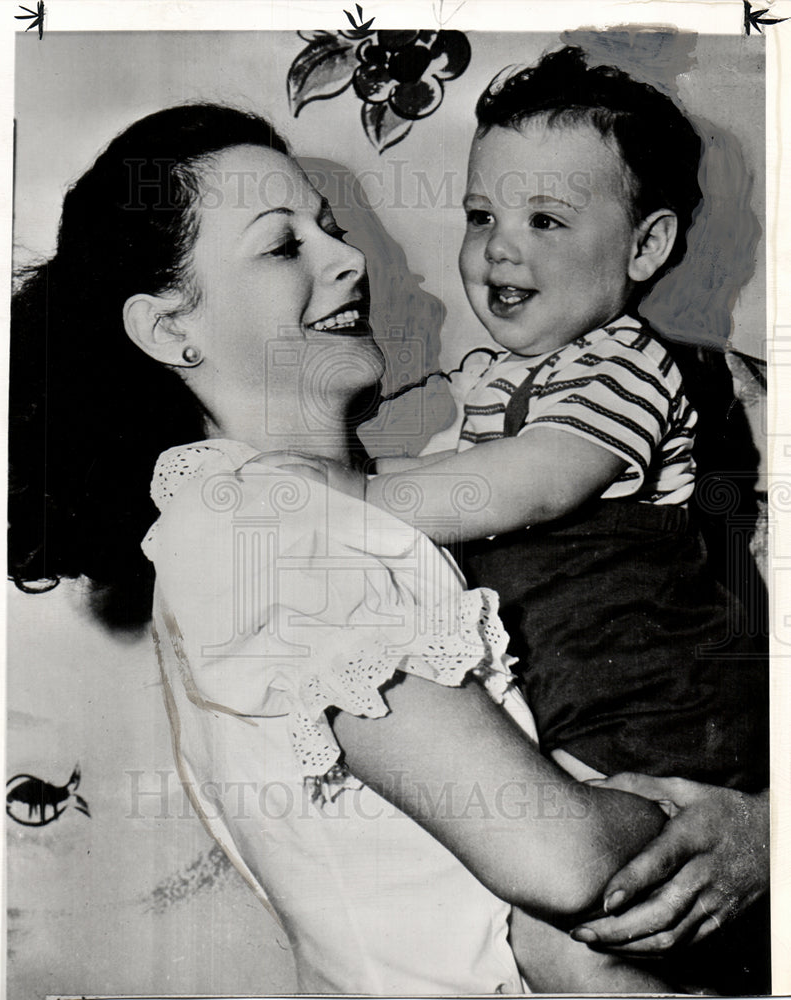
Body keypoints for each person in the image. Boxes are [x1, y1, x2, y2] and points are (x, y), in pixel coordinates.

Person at [7, 102, 743, 993]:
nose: (348, 259)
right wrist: (757, 835)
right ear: (169, 330)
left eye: (332, 228)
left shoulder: (343, 513)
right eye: (284, 246)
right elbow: (565, 862)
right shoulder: (264, 536)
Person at [362, 45, 769, 987]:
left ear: (646, 247)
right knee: (548, 926)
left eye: (546, 219)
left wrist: (344, 510)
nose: (500, 246)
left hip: (666, 717)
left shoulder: (624, 363)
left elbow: (533, 484)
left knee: (574, 923)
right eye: (481, 216)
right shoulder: (485, 384)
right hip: (574, 718)